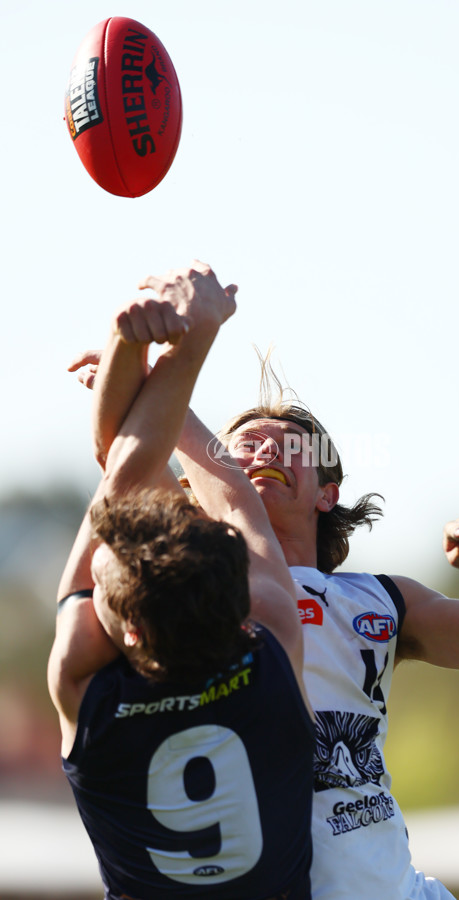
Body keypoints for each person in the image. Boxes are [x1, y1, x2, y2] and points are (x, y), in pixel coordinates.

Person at [71, 271, 459, 900]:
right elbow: (119, 460)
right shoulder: (192, 594)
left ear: (327, 492)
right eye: (243, 445)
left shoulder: (381, 600)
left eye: (287, 446)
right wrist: (145, 382)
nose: (260, 452)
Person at [49, 263, 315, 900]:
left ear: (128, 630)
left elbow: (124, 466)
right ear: (236, 604)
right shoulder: (277, 637)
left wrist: (148, 344)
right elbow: (150, 476)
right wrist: (164, 341)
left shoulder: (87, 689)